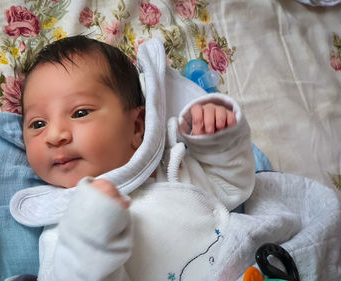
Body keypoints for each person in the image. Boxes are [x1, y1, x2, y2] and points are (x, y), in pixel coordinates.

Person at [16, 35, 255, 281]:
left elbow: (232, 187)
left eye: (80, 112)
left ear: (137, 126)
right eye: (38, 123)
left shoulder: (172, 166)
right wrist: (89, 240)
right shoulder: (63, 228)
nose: (54, 136)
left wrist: (218, 139)